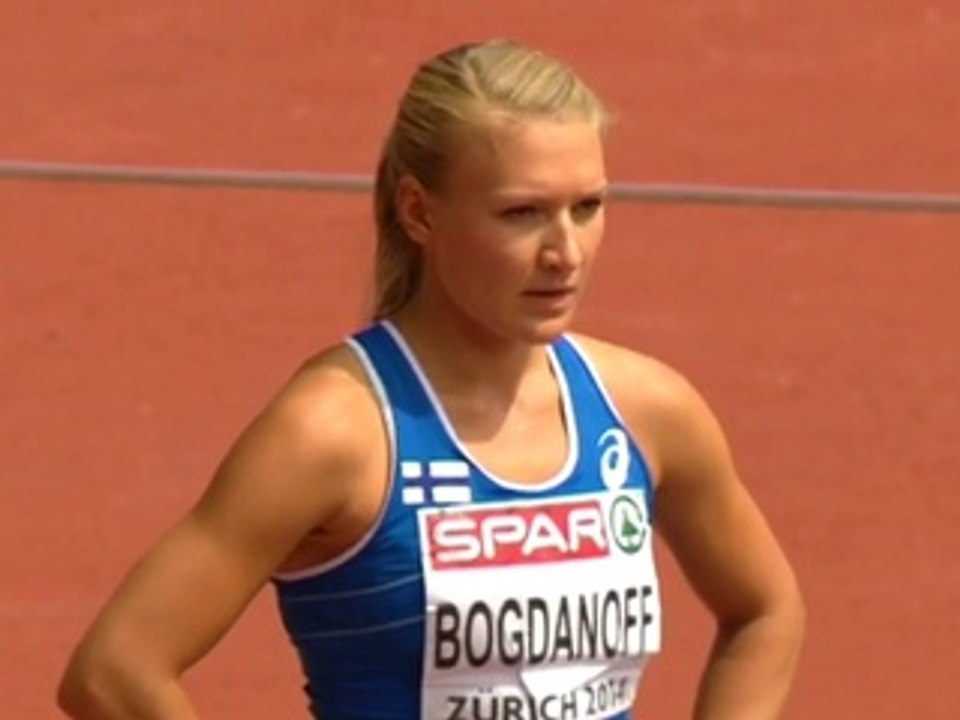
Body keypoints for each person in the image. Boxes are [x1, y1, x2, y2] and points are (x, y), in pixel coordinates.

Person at [57, 39, 804, 719]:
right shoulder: (336, 432)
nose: (565, 252)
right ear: (419, 211)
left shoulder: (647, 409)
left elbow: (766, 610)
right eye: (522, 214)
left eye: (588, 207)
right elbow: (115, 671)